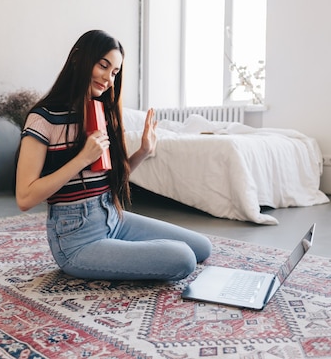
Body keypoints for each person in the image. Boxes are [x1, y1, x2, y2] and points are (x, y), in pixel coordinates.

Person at [15, 29, 212, 281]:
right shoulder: (43, 119)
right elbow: (25, 197)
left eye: (115, 72)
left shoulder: (100, 113)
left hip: (113, 218)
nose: (108, 78)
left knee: (201, 247)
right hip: (76, 239)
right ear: (78, 59)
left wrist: (143, 152)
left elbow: (108, 183)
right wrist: (82, 159)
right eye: (103, 66)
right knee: (183, 258)